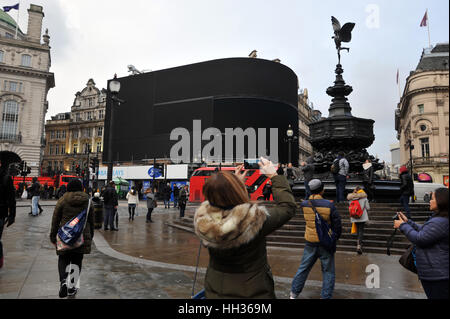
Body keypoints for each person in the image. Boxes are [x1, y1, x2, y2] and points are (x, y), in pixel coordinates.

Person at [193, 157, 297, 298]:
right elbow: (287, 207)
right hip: (252, 291)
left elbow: (228, 205)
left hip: (215, 289)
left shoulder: (204, 220)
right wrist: (273, 175)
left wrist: (234, 184)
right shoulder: (254, 220)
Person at [290, 179, 342, 299]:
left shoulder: (304, 205)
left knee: (303, 268)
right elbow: (337, 225)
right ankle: (326, 296)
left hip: (310, 242)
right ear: (322, 190)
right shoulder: (329, 205)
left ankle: (293, 294)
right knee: (328, 272)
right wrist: (334, 238)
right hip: (325, 243)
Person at [394, 188, 448, 299]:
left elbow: (420, 239)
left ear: (441, 201)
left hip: (437, 275)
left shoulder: (440, 222)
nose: (429, 201)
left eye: (432, 198)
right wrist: (408, 222)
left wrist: (402, 226)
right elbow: (425, 231)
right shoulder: (440, 219)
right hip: (436, 272)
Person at [49, 179, 94, 298]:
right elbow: (91, 221)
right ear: (81, 188)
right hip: (81, 237)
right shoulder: (88, 201)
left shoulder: (62, 200)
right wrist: (90, 236)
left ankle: (63, 280)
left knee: (63, 258)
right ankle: (72, 288)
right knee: (76, 261)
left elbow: (55, 220)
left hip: (65, 236)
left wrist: (53, 236)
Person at [0, 160, 16, 269]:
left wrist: (12, 215)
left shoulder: (6, 178)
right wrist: (11, 216)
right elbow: (12, 199)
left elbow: (11, 199)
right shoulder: (6, 178)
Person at [347, 186, 370, 255]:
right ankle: (359, 245)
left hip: (355, 217)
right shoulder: (364, 197)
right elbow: (368, 208)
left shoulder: (351, 198)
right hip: (362, 217)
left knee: (358, 230)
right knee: (361, 230)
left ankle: (358, 243)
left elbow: (350, 208)